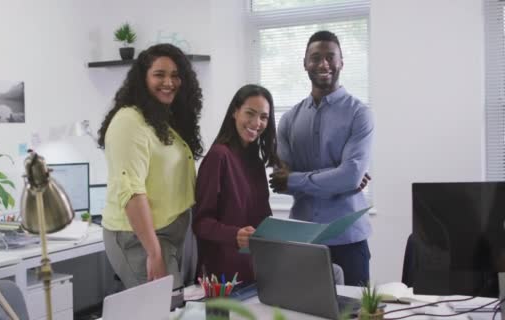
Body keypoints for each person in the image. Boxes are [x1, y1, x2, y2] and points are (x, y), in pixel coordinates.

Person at [193, 84, 344, 285]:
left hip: (259, 261)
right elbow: (201, 223)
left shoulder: (255, 161)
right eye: (250, 113)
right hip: (227, 272)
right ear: (235, 112)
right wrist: (234, 235)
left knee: (333, 271)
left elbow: (262, 219)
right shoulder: (219, 157)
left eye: (263, 117)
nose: (256, 123)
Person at [269, 30, 374, 286]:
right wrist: (337, 178)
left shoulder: (359, 114)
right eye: (315, 57)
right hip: (304, 241)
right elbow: (280, 181)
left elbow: (349, 176)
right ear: (305, 63)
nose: (323, 64)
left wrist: (297, 180)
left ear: (341, 63)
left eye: (331, 57)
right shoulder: (289, 119)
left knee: (353, 314)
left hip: (349, 242)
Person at [97, 43, 204, 291]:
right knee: (162, 309)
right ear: (142, 78)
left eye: (175, 75)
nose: (169, 82)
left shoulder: (160, 119)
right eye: (159, 74)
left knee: (173, 308)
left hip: (171, 232)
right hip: (140, 237)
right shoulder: (128, 121)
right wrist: (154, 252)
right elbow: (131, 190)